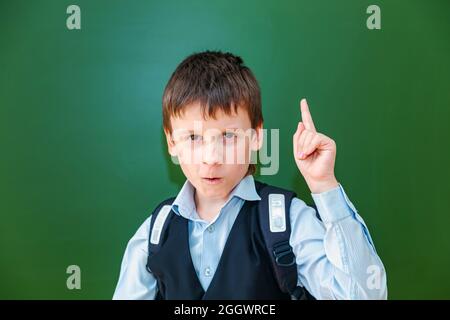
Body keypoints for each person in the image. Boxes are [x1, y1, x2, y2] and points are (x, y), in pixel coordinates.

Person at [113, 51, 387, 300]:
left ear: (256, 136)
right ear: (171, 142)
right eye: (194, 137)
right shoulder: (154, 234)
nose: (212, 158)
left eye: (229, 135)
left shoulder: (287, 221)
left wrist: (324, 185)